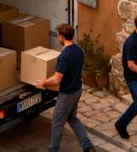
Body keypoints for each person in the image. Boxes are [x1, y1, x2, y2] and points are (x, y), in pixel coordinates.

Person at [36, 23, 95, 152]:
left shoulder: (64, 56)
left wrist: (44, 83)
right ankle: (87, 146)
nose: (58, 39)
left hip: (67, 94)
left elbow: (57, 78)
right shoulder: (79, 50)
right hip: (77, 90)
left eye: (58, 36)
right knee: (72, 118)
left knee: (57, 123)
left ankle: (53, 149)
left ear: (62, 37)